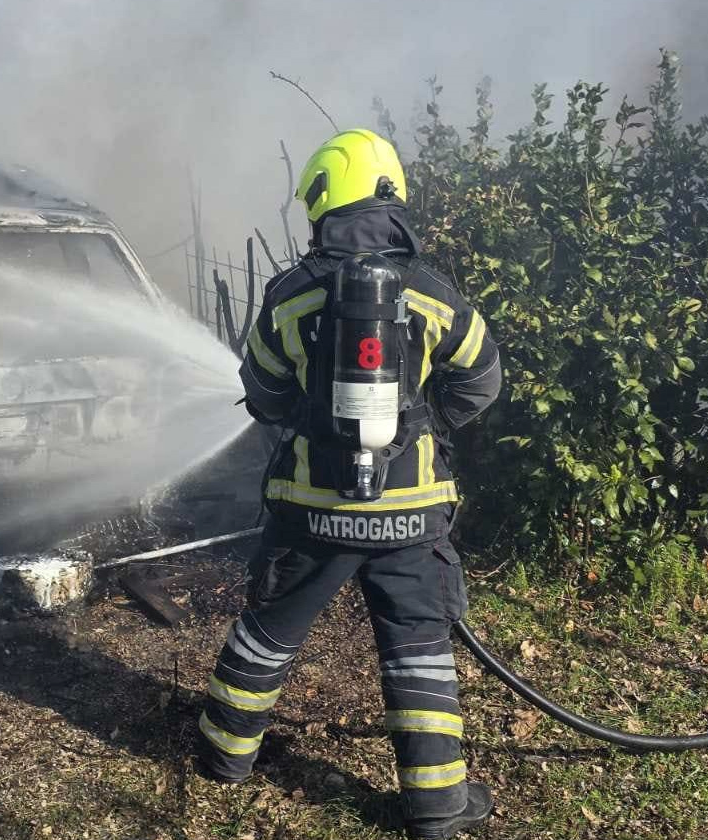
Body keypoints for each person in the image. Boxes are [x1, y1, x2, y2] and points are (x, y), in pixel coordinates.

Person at [196, 129, 502, 839]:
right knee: (418, 649)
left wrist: (309, 416)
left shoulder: (291, 296)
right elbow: (483, 380)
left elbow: (263, 390)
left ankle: (224, 755)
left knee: (269, 630)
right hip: (411, 514)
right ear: (391, 196)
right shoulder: (433, 294)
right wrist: (422, 423)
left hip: (312, 512)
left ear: (325, 200)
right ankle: (437, 805)